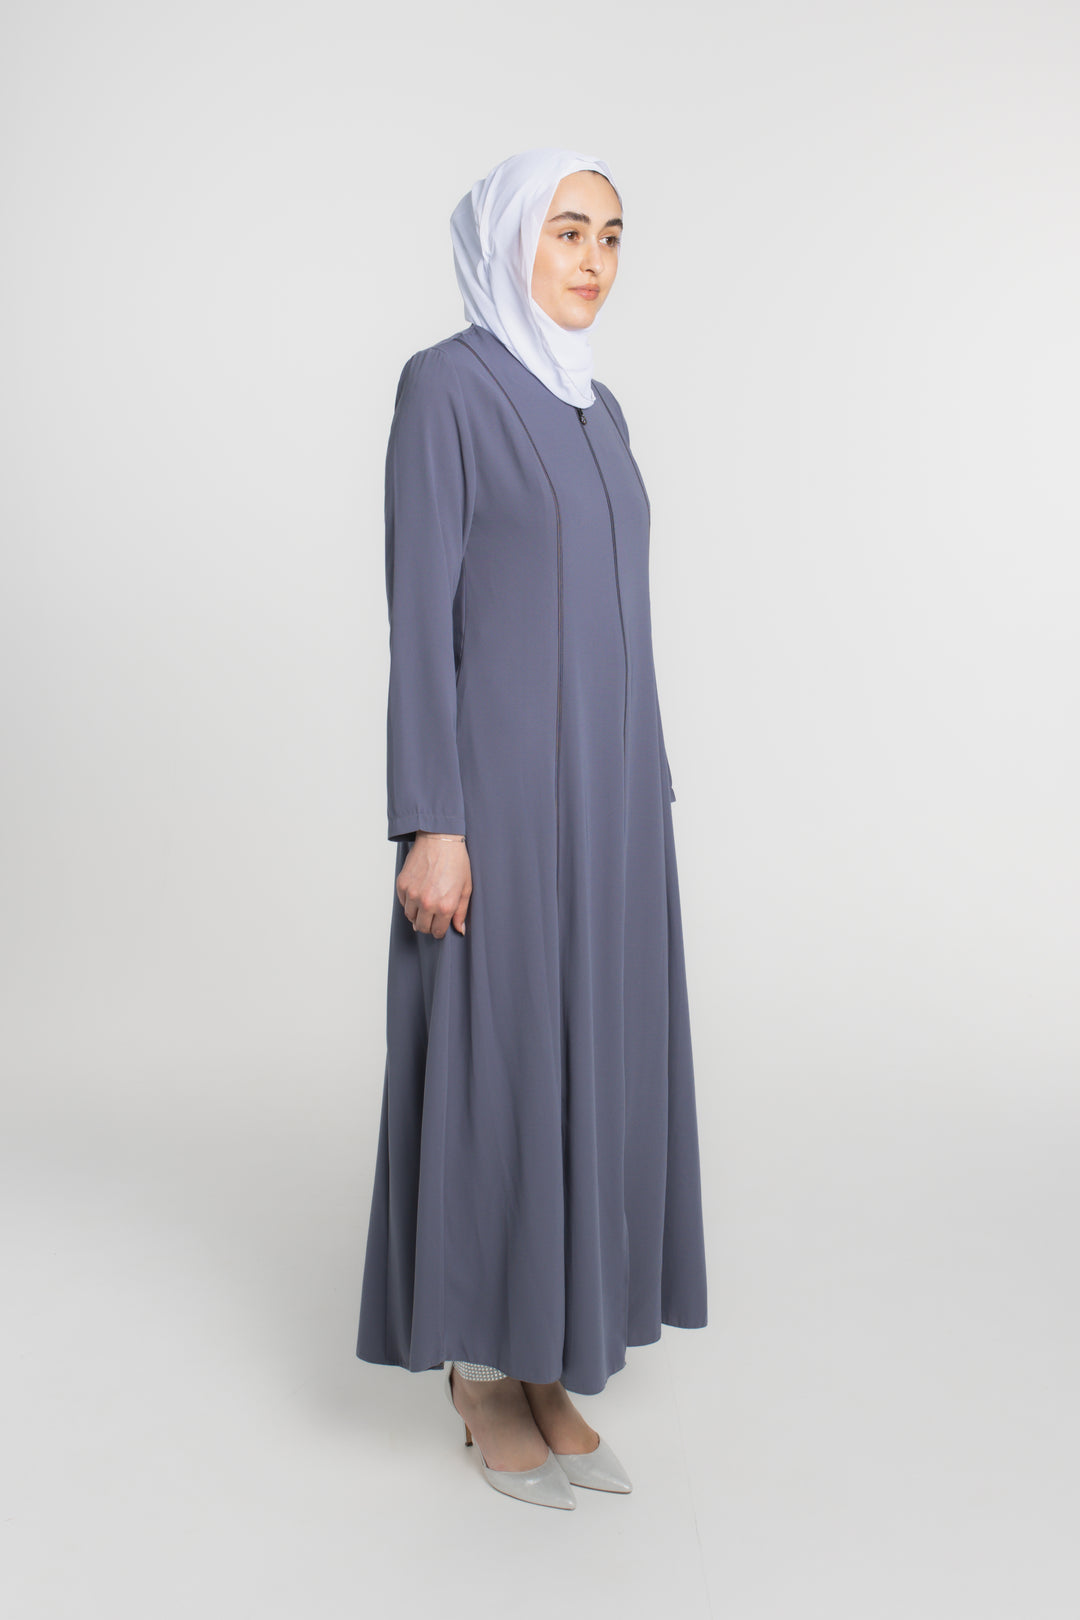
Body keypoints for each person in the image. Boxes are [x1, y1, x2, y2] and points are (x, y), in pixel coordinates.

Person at [355, 147, 708, 1509]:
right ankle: (480, 1369)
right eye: (568, 231)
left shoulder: (597, 408)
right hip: (496, 803)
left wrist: (648, 784)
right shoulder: (446, 387)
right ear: (511, 241)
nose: (594, 261)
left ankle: (551, 1356)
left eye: (612, 237)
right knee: (499, 1068)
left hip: (610, 807)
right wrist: (431, 819)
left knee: (587, 1067)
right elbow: (419, 617)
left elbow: (627, 618)